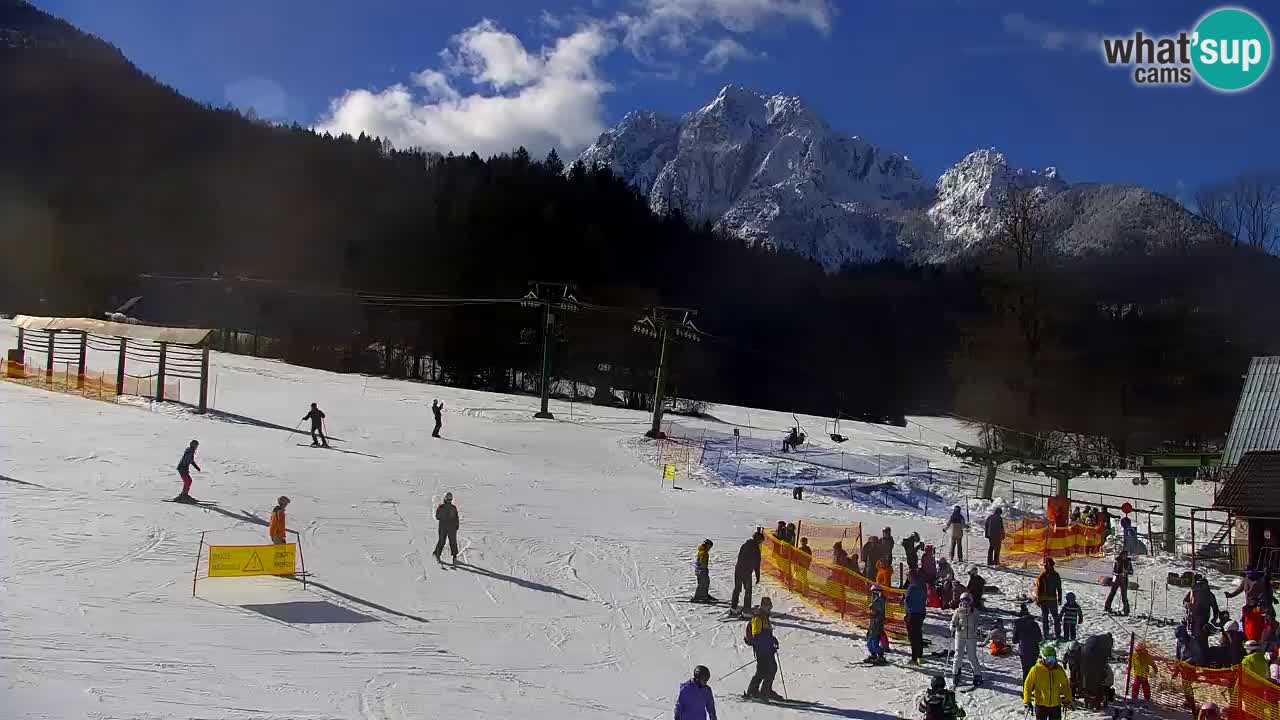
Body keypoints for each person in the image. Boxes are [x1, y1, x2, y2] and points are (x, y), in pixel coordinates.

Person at [1023, 644, 1072, 720]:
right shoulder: (1036, 670)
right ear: (1043, 659)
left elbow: (1065, 685)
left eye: (1053, 659)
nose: (1052, 662)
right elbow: (1028, 685)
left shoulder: (1059, 669)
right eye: (1049, 659)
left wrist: (1068, 699)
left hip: (1055, 705)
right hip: (1041, 705)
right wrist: (1027, 701)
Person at [745, 597, 781, 700]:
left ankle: (763, 690)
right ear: (764, 606)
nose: (770, 608)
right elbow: (757, 636)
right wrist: (769, 642)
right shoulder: (758, 618)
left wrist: (773, 640)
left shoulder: (765, 617)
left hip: (767, 649)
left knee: (768, 669)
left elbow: (766, 634)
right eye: (768, 606)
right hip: (762, 649)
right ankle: (757, 691)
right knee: (765, 670)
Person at [950, 592, 984, 687]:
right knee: (958, 655)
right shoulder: (957, 611)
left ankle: (977, 675)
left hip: (971, 637)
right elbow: (953, 621)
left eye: (967, 600)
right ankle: (956, 674)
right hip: (960, 635)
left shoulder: (974, 611)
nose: (965, 602)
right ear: (961, 601)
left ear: (970, 601)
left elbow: (979, 621)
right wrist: (952, 626)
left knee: (972, 656)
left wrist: (980, 627)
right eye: (963, 600)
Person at [731, 532, 763, 614]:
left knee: (737, 588)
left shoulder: (745, 545)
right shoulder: (756, 549)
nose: (761, 542)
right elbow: (757, 564)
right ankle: (746, 608)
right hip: (746, 572)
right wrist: (757, 576)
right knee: (748, 590)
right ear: (758, 539)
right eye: (761, 541)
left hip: (738, 570)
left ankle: (733, 606)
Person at [1013, 604, 1044, 681]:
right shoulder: (1035, 624)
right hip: (1034, 651)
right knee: (1032, 669)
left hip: (1023, 651)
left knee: (1025, 671)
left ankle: (1026, 690)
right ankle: (1033, 687)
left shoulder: (1018, 624)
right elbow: (1040, 638)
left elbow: (1014, 640)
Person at [1036, 558, 1063, 639]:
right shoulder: (1056, 575)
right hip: (1052, 599)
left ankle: (1046, 633)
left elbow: (1038, 588)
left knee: (1045, 617)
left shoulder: (1042, 575)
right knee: (1055, 617)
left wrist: (1038, 599)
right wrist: (1059, 598)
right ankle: (1057, 633)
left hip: (1044, 599)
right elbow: (1059, 588)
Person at [905, 570, 928, 665]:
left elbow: (907, 601)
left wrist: (907, 613)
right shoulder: (923, 585)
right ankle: (919, 656)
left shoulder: (912, 587)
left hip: (912, 614)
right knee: (918, 635)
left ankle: (914, 658)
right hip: (921, 613)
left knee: (912, 637)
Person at [433, 492, 460, 564]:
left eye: (450, 500)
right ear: (445, 499)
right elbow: (437, 517)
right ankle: (437, 553)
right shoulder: (441, 507)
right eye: (448, 499)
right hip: (443, 527)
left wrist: (457, 525)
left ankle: (454, 556)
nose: (449, 501)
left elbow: (456, 517)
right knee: (442, 541)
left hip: (451, 528)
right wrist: (443, 515)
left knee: (453, 541)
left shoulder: (453, 508)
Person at [1105, 550, 1134, 615]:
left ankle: (1126, 610)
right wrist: (1118, 573)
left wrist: (1127, 572)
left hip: (1124, 579)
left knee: (1124, 595)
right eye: (1124, 555)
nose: (1125, 556)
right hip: (1117, 578)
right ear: (1121, 555)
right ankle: (1107, 607)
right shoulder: (1117, 561)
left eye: (1126, 555)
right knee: (1112, 593)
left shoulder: (1128, 562)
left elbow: (1131, 571)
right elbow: (1114, 571)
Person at [866, 584, 888, 665]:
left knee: (874, 644)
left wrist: (874, 609)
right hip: (872, 625)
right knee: (868, 643)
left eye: (874, 593)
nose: (872, 595)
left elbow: (879, 612)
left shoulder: (880, 601)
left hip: (877, 626)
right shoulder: (875, 601)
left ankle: (881, 656)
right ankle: (873, 655)